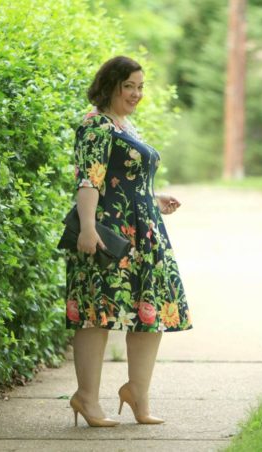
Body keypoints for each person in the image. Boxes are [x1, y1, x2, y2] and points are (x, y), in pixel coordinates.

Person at [65, 56, 192, 427]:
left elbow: (124, 182)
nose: (136, 93)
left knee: (148, 313)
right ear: (110, 87)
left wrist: (154, 199)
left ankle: (138, 393)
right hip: (109, 235)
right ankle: (86, 398)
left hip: (144, 232)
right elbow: (88, 182)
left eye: (140, 86)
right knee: (96, 312)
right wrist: (87, 229)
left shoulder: (126, 125)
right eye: (129, 86)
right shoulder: (96, 127)